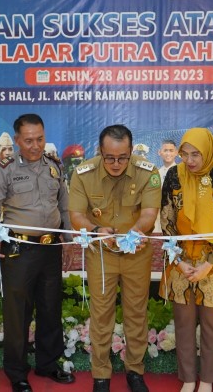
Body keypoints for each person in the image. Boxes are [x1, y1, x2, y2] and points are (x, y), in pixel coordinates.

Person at [0, 113, 74, 392]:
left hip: (50, 249)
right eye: (29, 140)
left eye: (40, 139)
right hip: (19, 249)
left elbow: (65, 208)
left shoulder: (55, 167)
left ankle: (48, 364)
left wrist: (67, 240)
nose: (36, 146)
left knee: (50, 308)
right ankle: (16, 371)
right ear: (18, 140)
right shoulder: (5, 169)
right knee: (17, 312)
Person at [68, 124, 161, 392]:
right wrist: (96, 230)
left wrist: (136, 230)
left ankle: (135, 371)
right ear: (100, 151)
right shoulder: (83, 173)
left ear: (131, 151)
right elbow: (77, 217)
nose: (116, 163)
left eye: (123, 157)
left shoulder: (147, 172)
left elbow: (149, 213)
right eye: (109, 158)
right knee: (101, 314)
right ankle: (100, 375)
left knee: (136, 312)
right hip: (100, 253)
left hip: (136, 253)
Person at [159, 128, 213, 392]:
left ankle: (206, 380)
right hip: (180, 260)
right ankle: (188, 379)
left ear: (208, 152)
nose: (190, 160)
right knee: (183, 323)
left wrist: (208, 264)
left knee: (212, 324)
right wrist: (180, 261)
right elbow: (167, 221)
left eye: (196, 154)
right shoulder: (174, 175)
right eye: (185, 154)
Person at [154, 139, 177, 233]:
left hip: (176, 213)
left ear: (176, 152)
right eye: (165, 150)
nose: (168, 153)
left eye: (171, 150)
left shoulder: (181, 173)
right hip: (160, 214)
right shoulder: (156, 174)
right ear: (159, 152)